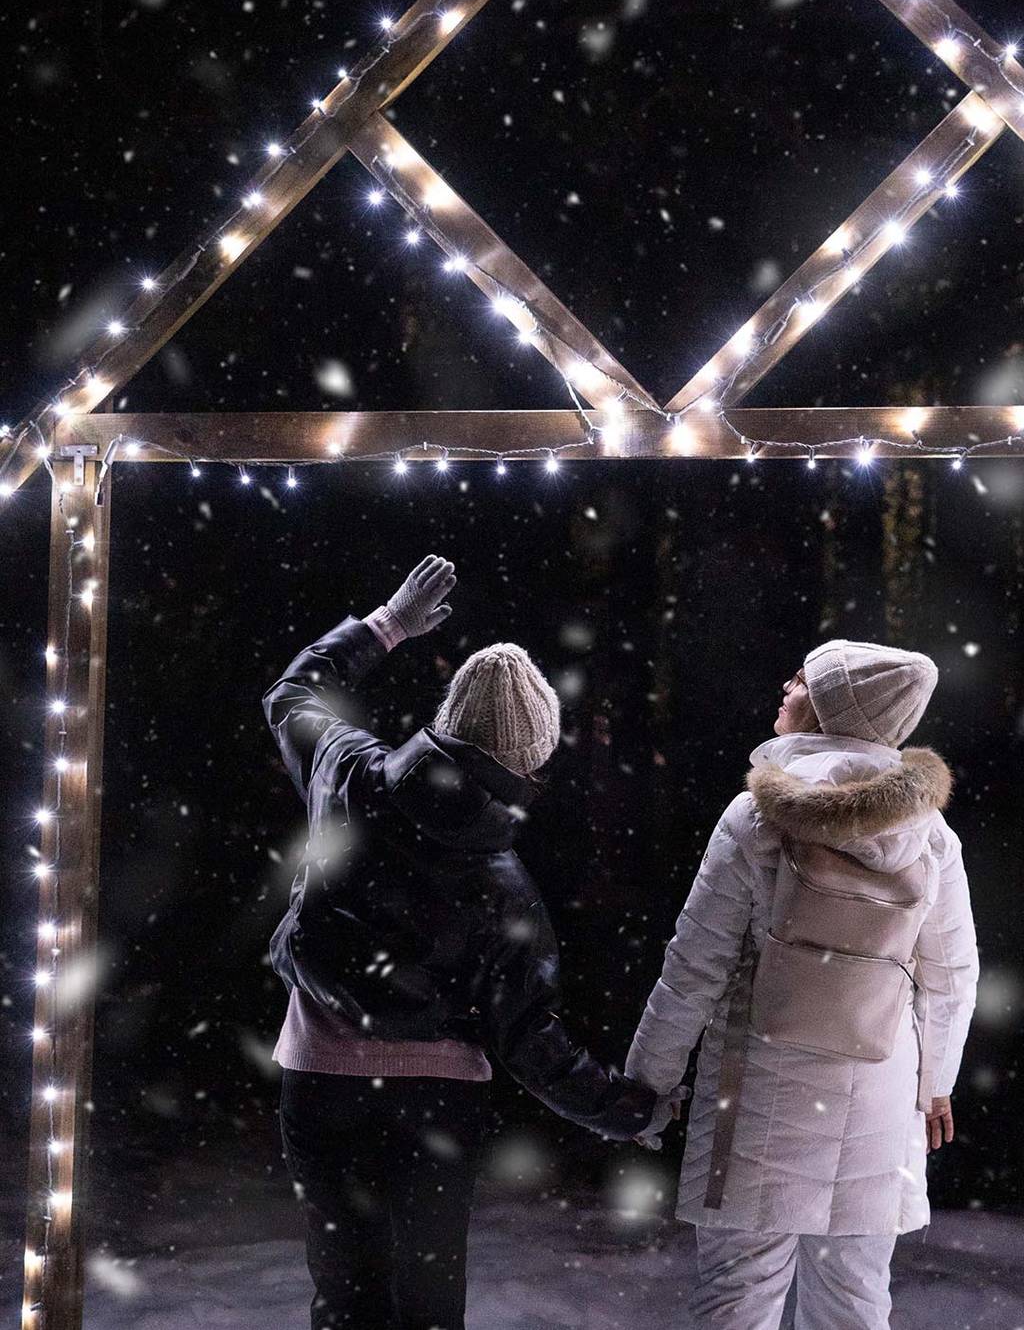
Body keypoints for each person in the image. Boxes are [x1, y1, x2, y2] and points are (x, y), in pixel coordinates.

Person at [264, 555, 671, 1330]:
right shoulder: (505, 889)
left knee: (344, 1296)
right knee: (426, 1309)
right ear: (526, 764)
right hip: (433, 1107)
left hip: (318, 1082)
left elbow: (290, 695)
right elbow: (530, 1041)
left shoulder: (346, 770)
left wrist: (388, 623)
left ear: (450, 719)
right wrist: (625, 1110)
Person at [627, 640, 978, 1329]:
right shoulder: (931, 834)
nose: (784, 688)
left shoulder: (755, 818)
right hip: (882, 1093)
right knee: (853, 1302)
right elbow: (951, 975)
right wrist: (934, 1081)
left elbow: (693, 965)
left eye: (800, 680)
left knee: (737, 1298)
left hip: (756, 1092)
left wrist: (650, 1079)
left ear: (830, 706)